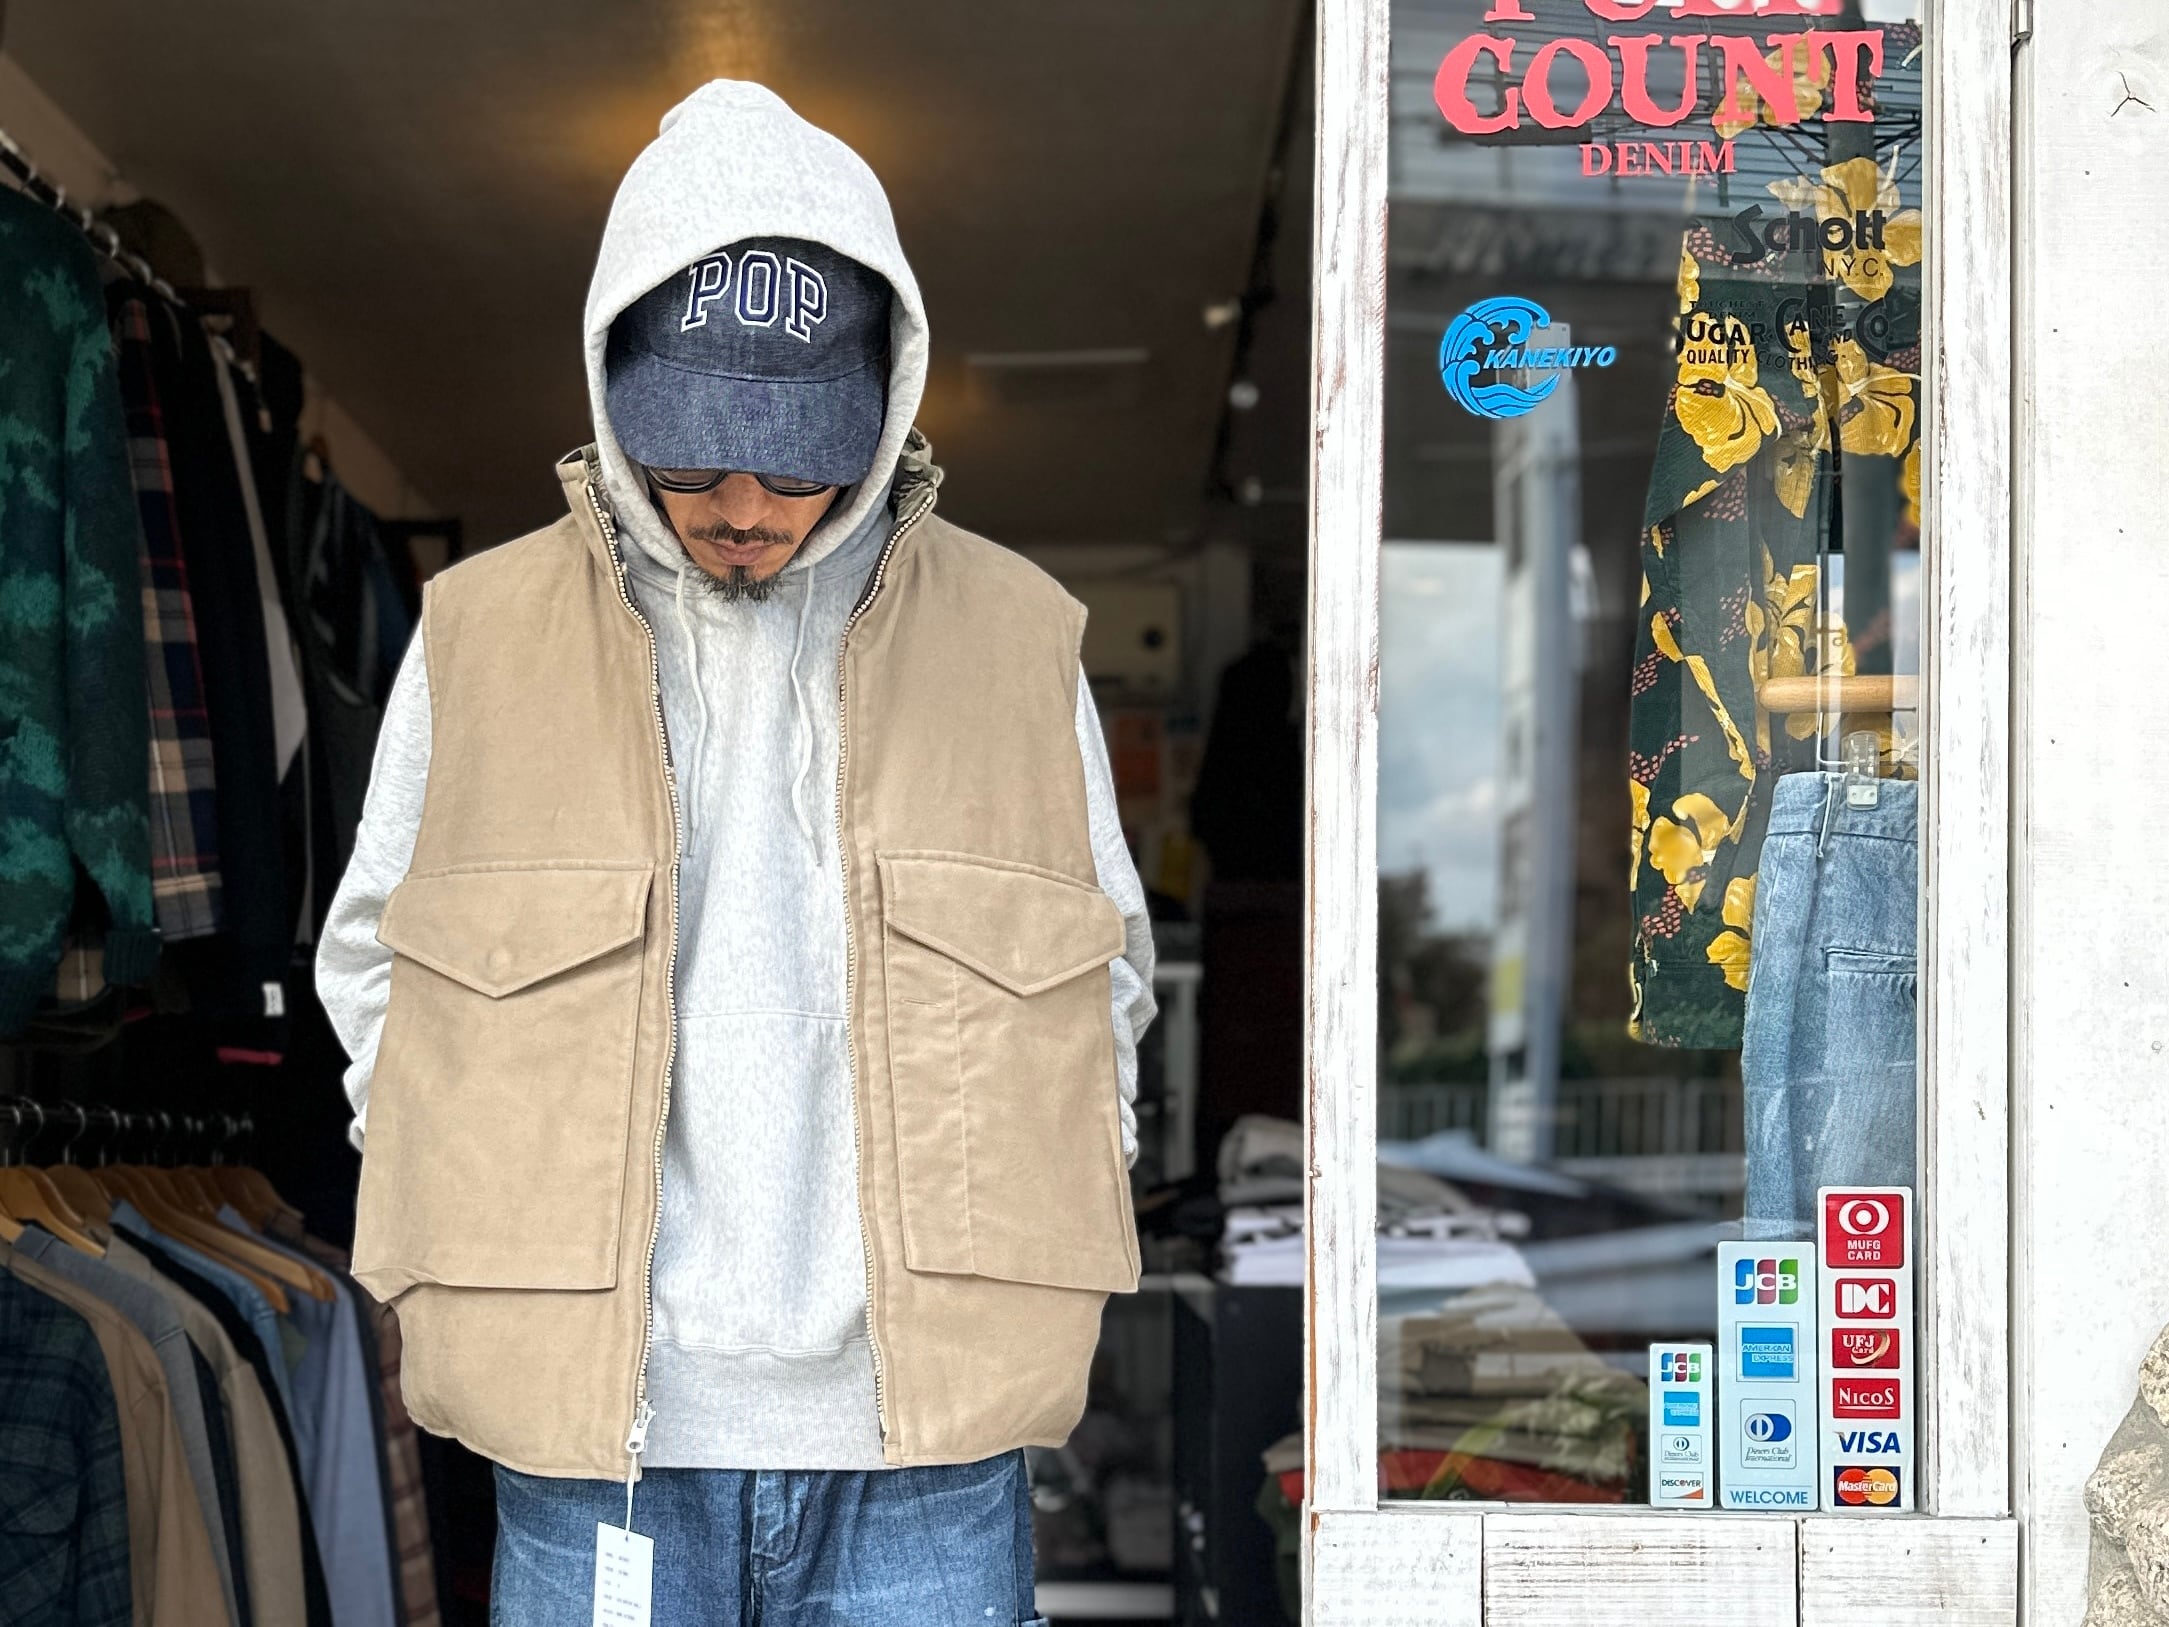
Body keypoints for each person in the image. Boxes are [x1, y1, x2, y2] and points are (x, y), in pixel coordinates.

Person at [318, 80, 1155, 1626]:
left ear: (879, 410)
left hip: (924, 1428)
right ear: (613, 400)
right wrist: (473, 1198)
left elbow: (1103, 981)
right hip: (595, 1428)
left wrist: (1035, 1225)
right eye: (694, 462)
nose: (744, 508)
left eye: (792, 459)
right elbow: (375, 961)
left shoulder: (1016, 637)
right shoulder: (480, 636)